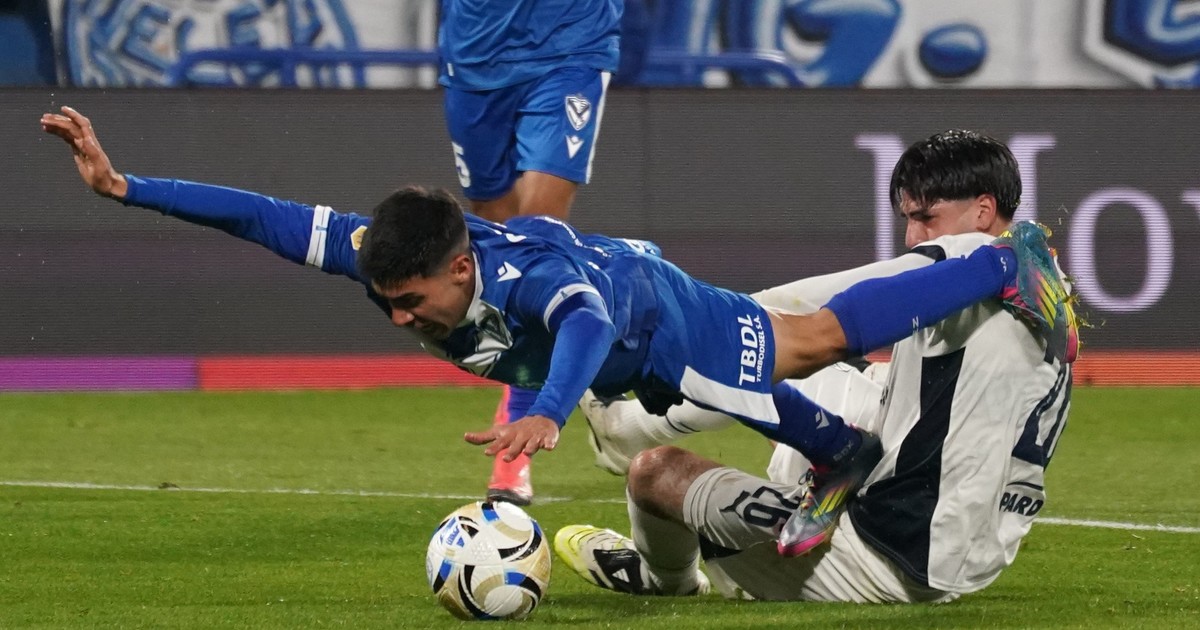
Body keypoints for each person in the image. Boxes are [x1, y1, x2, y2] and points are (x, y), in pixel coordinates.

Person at [41, 109, 1077, 558]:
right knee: (696, 404)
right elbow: (264, 216)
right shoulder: (390, 249)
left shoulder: (523, 281)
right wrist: (129, 187)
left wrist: (540, 409)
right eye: (386, 302)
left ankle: (1000, 265)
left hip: (645, 309)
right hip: (618, 341)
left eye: (412, 303)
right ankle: (836, 448)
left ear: (459, 270)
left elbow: (580, 324)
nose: (400, 320)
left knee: (810, 342)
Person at [555, 130, 1078, 602]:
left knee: (655, 473)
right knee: (810, 377)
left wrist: (702, 326)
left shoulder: (973, 254)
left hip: (888, 553)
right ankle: (638, 434)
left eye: (926, 217)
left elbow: (817, 307)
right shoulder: (1045, 287)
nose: (913, 236)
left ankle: (666, 576)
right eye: (908, 219)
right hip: (973, 540)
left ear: (983, 211)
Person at [438, 0, 623, 505]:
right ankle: (598, 353)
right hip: (476, 53)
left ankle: (515, 447)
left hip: (570, 43)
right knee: (496, 243)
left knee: (537, 237)